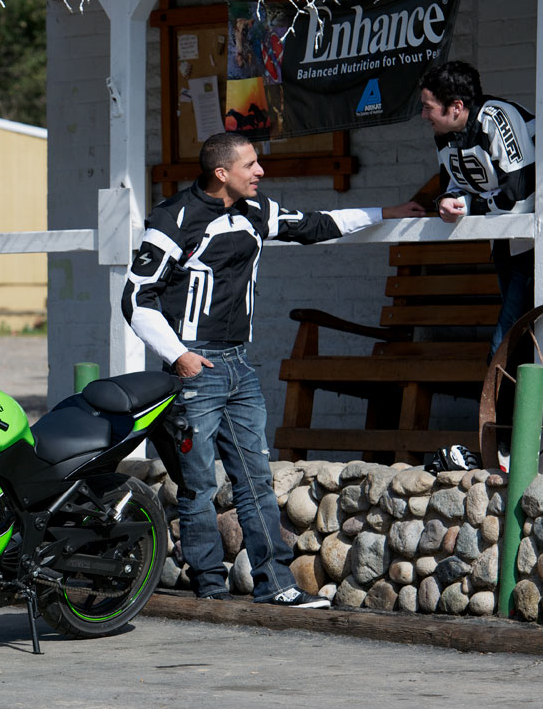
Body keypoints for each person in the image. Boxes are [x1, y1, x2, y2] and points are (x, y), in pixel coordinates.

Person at [122, 132, 425, 606]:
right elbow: (136, 297)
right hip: (195, 367)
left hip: (239, 366)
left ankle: (277, 586)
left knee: (255, 479)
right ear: (222, 173)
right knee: (198, 485)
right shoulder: (173, 217)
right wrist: (178, 355)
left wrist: (388, 212)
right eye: (251, 165)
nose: (260, 171)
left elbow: (320, 224)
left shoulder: (256, 211)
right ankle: (209, 591)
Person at [418, 61, 536, 354]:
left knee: (505, 342)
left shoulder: (497, 118)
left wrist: (468, 205)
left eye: (428, 106)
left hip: (533, 240)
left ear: (456, 107)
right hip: (506, 241)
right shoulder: (444, 133)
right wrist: (446, 201)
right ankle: (511, 398)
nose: (423, 114)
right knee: (516, 338)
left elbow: (520, 197)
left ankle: (499, 399)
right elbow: (455, 186)